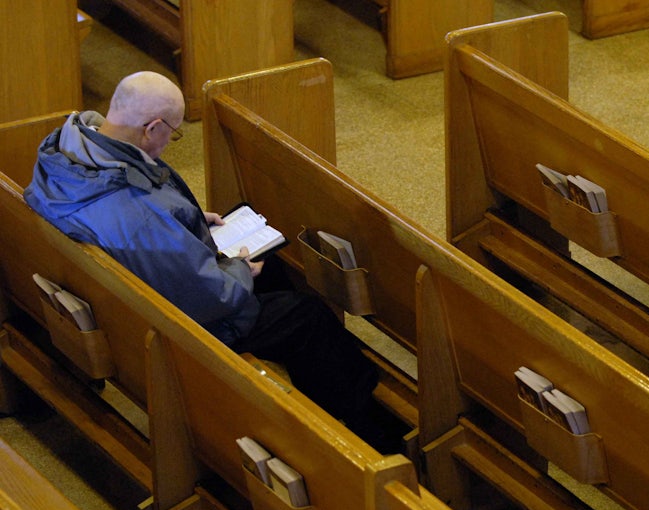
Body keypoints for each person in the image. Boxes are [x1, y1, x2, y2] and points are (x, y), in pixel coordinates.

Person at [24, 71, 401, 452]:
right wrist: (240, 269)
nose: (170, 142)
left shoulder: (70, 151)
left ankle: (317, 390)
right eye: (172, 132)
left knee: (275, 273)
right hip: (179, 326)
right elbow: (208, 298)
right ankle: (369, 431)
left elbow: (140, 213)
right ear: (152, 127)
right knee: (307, 317)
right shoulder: (139, 216)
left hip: (122, 288)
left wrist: (182, 218)